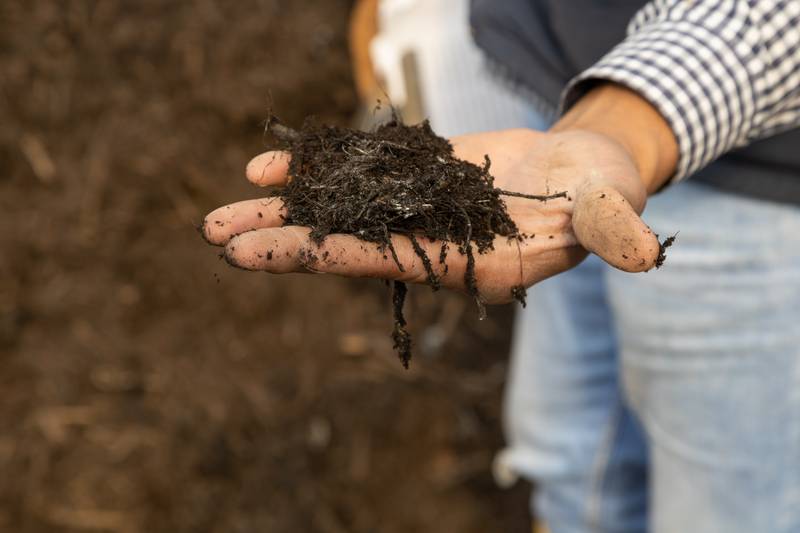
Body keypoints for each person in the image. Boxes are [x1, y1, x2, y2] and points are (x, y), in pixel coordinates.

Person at [203, 1, 800, 531]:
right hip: (557, 106)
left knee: (725, 509)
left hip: (754, 175)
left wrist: (622, 121)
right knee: (567, 462)